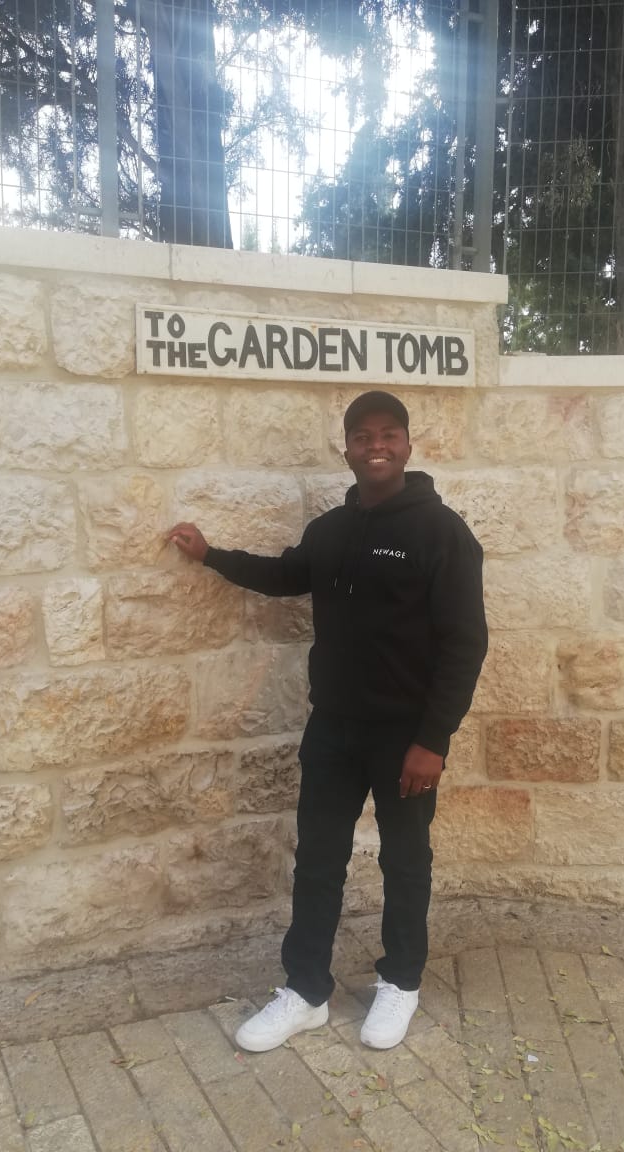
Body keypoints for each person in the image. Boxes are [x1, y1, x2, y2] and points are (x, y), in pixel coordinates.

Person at [167, 389, 487, 1052]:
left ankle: (401, 981)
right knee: (317, 860)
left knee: (405, 861)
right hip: (334, 729)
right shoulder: (332, 530)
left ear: (407, 444)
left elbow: (465, 643)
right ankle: (307, 991)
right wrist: (211, 556)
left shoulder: (441, 533)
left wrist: (433, 741)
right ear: (346, 447)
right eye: (362, 436)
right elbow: (286, 575)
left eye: (388, 435)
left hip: (406, 739)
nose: (376, 446)